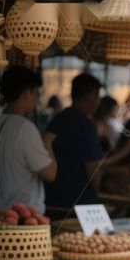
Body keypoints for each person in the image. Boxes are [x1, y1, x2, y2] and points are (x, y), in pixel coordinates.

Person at [0, 66, 56, 213]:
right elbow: (50, 173)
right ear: (26, 93)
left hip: (3, 214)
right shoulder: (24, 127)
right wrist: (47, 142)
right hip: (24, 219)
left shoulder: (1, 121)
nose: (36, 98)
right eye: (36, 93)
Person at [43, 73, 104, 209]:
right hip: (79, 202)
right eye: (98, 96)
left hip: (51, 198)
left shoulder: (58, 119)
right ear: (91, 95)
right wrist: (98, 192)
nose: (98, 101)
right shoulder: (85, 124)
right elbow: (91, 167)